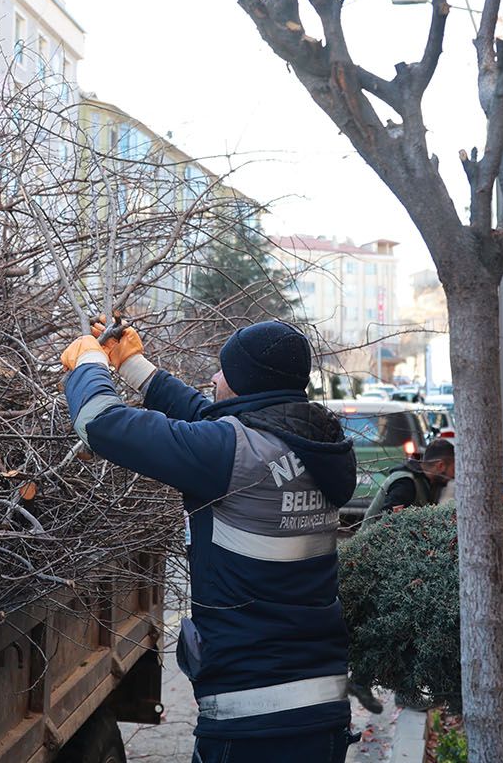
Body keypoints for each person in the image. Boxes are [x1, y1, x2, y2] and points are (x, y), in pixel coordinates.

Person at [59, 319, 356, 763]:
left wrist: (88, 364)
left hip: (251, 718)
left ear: (245, 383)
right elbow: (210, 421)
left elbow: (102, 424)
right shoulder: (316, 443)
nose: (214, 378)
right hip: (323, 708)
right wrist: (138, 368)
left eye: (223, 371)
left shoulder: (231, 454)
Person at [365, 436, 454, 516]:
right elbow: (387, 522)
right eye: (453, 469)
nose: (454, 475)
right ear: (440, 466)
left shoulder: (432, 482)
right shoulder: (406, 483)